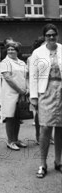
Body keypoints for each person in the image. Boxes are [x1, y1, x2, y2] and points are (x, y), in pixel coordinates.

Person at [29, 23, 62, 179]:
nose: (51, 37)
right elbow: (33, 76)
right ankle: (43, 163)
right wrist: (33, 97)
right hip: (45, 92)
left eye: (53, 34)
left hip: (61, 92)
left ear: (57, 35)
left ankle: (58, 161)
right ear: (44, 36)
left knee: (60, 128)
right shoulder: (37, 53)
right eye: (48, 35)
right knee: (45, 128)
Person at [0, 40, 28, 150]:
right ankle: (10, 141)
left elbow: (26, 77)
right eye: (9, 49)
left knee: (17, 117)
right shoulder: (5, 63)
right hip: (10, 94)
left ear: (17, 51)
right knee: (10, 118)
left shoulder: (22, 63)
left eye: (13, 49)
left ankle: (16, 139)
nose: (10, 51)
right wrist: (20, 90)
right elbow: (8, 78)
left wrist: (26, 88)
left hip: (21, 94)